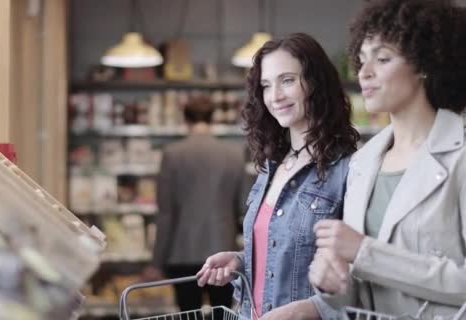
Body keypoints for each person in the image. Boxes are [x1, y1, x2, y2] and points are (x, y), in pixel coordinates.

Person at [308, 1, 466, 319]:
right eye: (362, 60)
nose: (364, 72)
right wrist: (331, 282)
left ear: (424, 63)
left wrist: (364, 251)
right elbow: (359, 293)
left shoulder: (460, 154)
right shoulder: (363, 162)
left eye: (382, 58)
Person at [195, 33, 360, 319]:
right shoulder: (271, 168)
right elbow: (283, 256)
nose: (275, 97)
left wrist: (312, 310)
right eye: (266, 86)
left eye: (287, 80)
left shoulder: (348, 169)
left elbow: (362, 279)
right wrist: (240, 263)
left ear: (316, 83)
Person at [142, 96, 245, 318]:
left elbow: (166, 213)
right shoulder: (234, 155)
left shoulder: (172, 154)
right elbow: (244, 208)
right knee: (223, 313)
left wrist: (156, 261)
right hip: (223, 251)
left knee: (188, 314)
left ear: (185, 119)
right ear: (213, 118)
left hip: (182, 253)